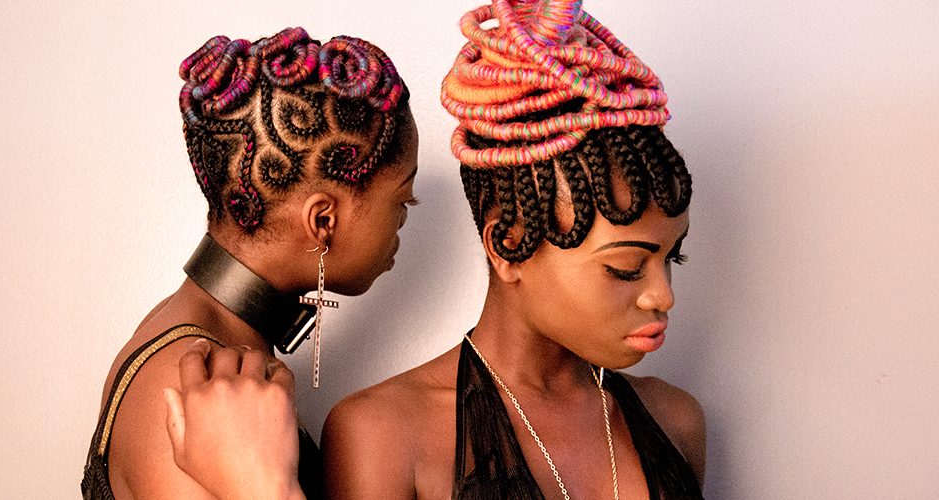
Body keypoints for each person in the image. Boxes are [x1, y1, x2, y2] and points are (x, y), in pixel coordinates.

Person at [166, 1, 705, 498]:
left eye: (672, 257)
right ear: (508, 244)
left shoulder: (676, 423)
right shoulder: (383, 435)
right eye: (627, 268)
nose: (663, 296)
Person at [81, 26, 417, 500]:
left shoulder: (209, 346)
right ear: (323, 219)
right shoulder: (186, 381)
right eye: (404, 199)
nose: (405, 217)